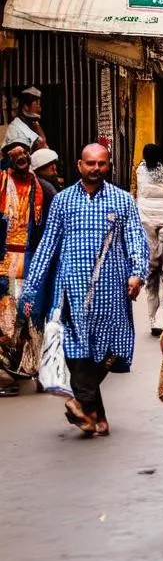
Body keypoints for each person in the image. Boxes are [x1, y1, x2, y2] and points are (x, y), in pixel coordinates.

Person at [21, 144, 149, 436]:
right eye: (90, 163)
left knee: (114, 348)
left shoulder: (122, 200)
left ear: (109, 166)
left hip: (113, 291)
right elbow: (47, 246)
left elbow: (136, 240)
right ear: (79, 165)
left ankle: (81, 402)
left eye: (101, 164)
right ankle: (96, 417)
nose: (95, 169)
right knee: (77, 353)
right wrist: (31, 289)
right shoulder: (63, 202)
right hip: (72, 291)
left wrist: (137, 274)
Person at [0, 139, 52, 391]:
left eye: (24, 154)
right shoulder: (1, 184)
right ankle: (5, 370)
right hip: (4, 262)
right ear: (7, 160)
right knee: (5, 319)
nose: (21, 157)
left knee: (32, 316)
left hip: (33, 262)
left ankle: (32, 367)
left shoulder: (43, 189)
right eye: (15, 155)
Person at [135, 144, 163, 337]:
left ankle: (154, 318)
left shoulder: (139, 172)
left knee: (151, 274)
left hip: (146, 224)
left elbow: (134, 195)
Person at [4, 86, 47, 151]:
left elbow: (44, 143)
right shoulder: (15, 127)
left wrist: (36, 124)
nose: (40, 109)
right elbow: (40, 143)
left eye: (40, 105)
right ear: (26, 107)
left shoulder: (34, 123)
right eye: (37, 105)